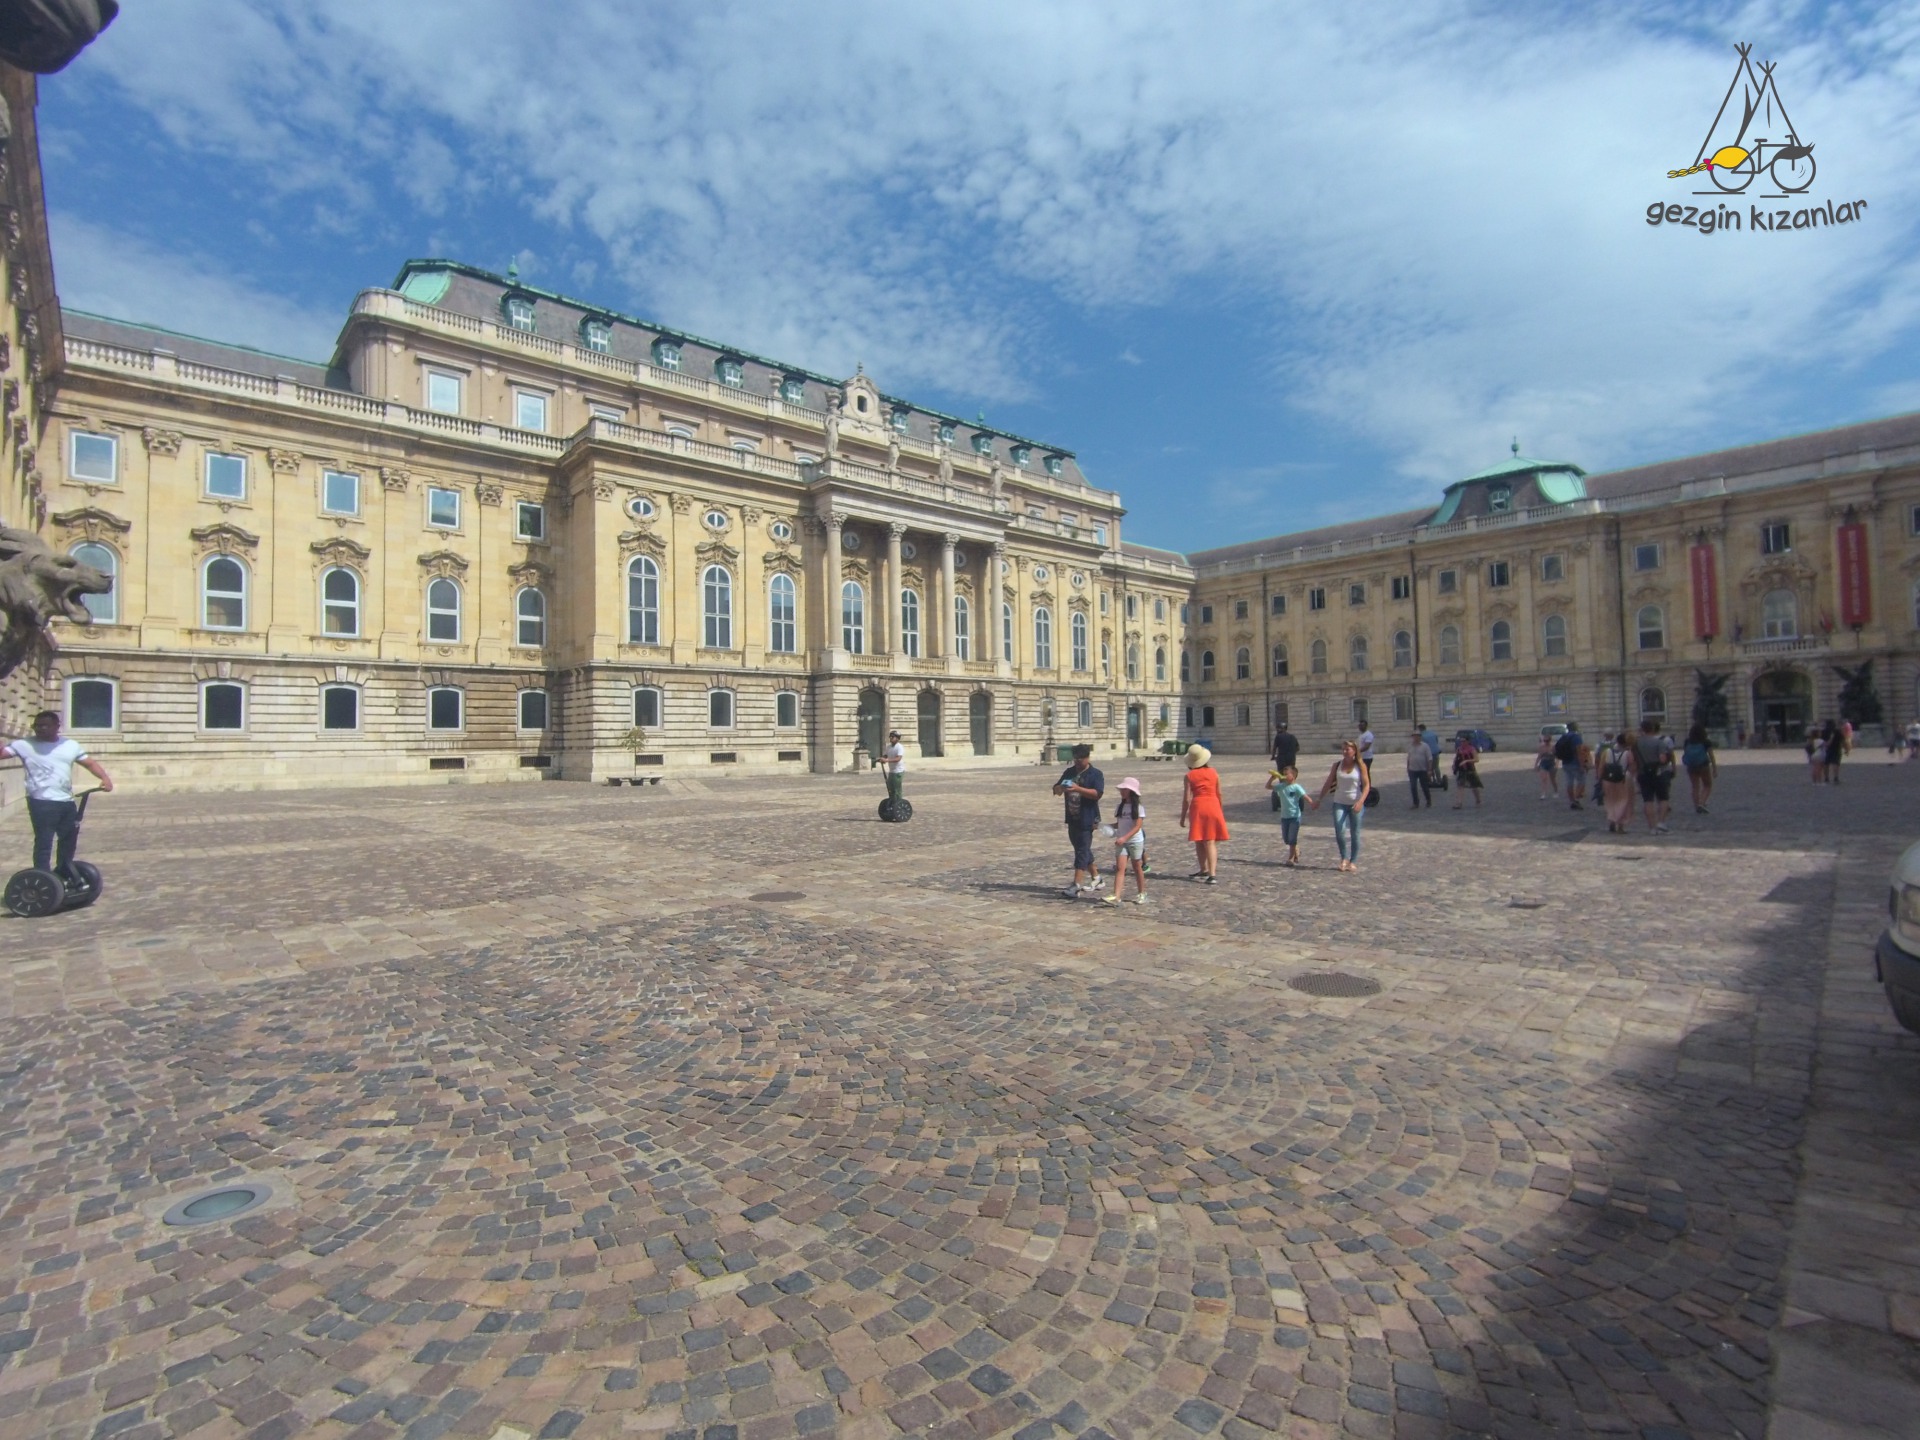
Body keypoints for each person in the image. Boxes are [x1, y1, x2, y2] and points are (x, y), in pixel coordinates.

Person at [3, 710, 114, 882]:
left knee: (69, 839)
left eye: (45, 725)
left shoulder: (70, 745)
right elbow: (3, 754)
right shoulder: (24, 745)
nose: (40, 729)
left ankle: (63, 870)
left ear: (57, 727)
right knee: (44, 842)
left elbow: (89, 763)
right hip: (41, 802)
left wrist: (104, 778)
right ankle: (42, 878)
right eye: (37, 726)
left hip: (66, 801)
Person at [1052, 743, 1105, 897]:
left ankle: (1076, 884)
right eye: (1075, 759)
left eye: (1080, 760)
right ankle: (1097, 877)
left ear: (1087, 758)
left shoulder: (1095, 774)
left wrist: (1078, 789)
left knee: (1081, 849)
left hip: (1087, 817)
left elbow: (1097, 794)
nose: (1077, 762)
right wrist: (1060, 788)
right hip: (1072, 816)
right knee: (1082, 848)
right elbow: (1056, 789)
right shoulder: (1069, 772)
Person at [1177, 744, 1228, 884]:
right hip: (1213, 804)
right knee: (1209, 840)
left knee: (1200, 839)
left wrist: (1182, 816)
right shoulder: (1214, 772)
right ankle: (1208, 871)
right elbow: (1220, 793)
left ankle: (1208, 872)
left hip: (1198, 806)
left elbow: (1187, 798)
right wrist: (1220, 810)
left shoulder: (1189, 775)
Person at [1319, 739, 1371, 872]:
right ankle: (1344, 858)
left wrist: (1360, 802)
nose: (1344, 752)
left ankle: (1353, 861)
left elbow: (1366, 786)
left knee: (1355, 832)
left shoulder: (1360, 766)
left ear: (1354, 751)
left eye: (1347, 749)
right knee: (1339, 830)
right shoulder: (1337, 765)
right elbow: (1328, 782)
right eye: (1343, 749)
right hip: (1339, 802)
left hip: (1355, 802)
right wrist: (1319, 799)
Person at [1102, 778, 1149, 906]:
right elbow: (1120, 823)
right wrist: (1105, 826)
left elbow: (1137, 826)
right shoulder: (1120, 807)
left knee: (1137, 867)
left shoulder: (1139, 808)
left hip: (1135, 841)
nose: (1122, 792)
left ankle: (1142, 893)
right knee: (1120, 868)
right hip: (1121, 841)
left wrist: (1124, 838)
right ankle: (1116, 896)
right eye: (1121, 789)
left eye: (1125, 789)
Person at [1266, 764, 1316, 865]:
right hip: (1284, 816)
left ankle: (1291, 858)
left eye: (1286, 774)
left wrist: (1311, 802)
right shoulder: (1281, 786)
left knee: (1292, 838)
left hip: (1295, 816)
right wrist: (1272, 778)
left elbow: (1304, 795)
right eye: (1283, 774)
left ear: (1293, 775)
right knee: (1286, 839)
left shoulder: (1296, 787)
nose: (1284, 776)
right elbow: (1268, 787)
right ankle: (1296, 850)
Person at [1632, 718, 1675, 833]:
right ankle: (1661, 822)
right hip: (1659, 773)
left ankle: (1651, 828)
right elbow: (1662, 759)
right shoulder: (1659, 742)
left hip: (1643, 773)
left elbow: (1633, 760)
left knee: (1648, 800)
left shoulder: (1636, 743)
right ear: (1653, 729)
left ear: (1642, 729)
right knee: (1663, 798)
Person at [1600, 731, 1634, 832]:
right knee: (1624, 800)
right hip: (1623, 778)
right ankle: (1620, 825)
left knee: (1610, 800)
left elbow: (1601, 766)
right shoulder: (1628, 753)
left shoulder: (1607, 751)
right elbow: (1632, 767)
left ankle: (1612, 820)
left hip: (1608, 779)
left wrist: (1600, 778)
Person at [1682, 723, 1717, 812]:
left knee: (1695, 786)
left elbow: (1686, 753)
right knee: (1707, 785)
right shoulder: (1706, 742)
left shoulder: (1687, 741)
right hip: (1703, 766)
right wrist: (1714, 769)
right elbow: (1711, 756)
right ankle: (1701, 803)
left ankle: (1696, 805)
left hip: (1691, 766)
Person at [1556, 723, 1586, 811]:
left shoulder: (1564, 737)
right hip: (1575, 763)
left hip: (1565, 763)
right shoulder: (1576, 737)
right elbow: (1579, 751)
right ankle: (1576, 800)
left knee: (1569, 782)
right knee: (1581, 781)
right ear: (1576, 728)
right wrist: (1581, 764)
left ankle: (1571, 800)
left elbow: (1555, 749)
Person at [1450, 733, 1482, 808]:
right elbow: (1456, 758)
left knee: (1474, 787)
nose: (1462, 743)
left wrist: (1467, 761)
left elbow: (1476, 759)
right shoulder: (1459, 749)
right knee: (1460, 786)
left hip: (1470, 769)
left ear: (1468, 741)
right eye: (1461, 741)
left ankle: (1478, 799)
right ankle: (1459, 803)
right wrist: (1454, 765)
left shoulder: (1472, 749)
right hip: (1461, 770)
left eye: (1464, 741)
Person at [1405, 729, 1433, 808]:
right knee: (1413, 786)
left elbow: (1429, 758)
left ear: (1420, 737)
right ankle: (1415, 802)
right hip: (1412, 770)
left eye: (1417, 736)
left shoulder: (1425, 746)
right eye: (1414, 736)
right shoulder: (1410, 746)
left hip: (1422, 769)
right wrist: (1407, 767)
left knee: (1424, 786)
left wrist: (1429, 770)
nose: (1416, 738)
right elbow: (1409, 757)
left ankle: (1428, 800)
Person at [880, 729, 906, 806]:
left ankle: (899, 805)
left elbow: (898, 758)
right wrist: (881, 758)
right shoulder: (889, 747)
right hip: (891, 771)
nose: (891, 738)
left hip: (898, 771)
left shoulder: (899, 747)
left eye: (893, 737)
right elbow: (885, 755)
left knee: (897, 789)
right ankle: (892, 803)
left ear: (897, 738)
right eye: (890, 736)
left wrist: (886, 760)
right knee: (890, 789)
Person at [1534, 735, 1559, 800]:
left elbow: (1557, 757)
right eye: (1544, 741)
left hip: (1551, 764)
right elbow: (1539, 756)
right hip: (1543, 764)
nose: (1546, 742)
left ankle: (1555, 791)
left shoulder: (1553, 747)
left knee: (1553, 779)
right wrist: (1536, 765)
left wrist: (1556, 764)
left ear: (1550, 740)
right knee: (1544, 779)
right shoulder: (1541, 747)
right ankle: (1543, 793)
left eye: (1547, 741)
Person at [1823, 720, 1845, 785]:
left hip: (1826, 749)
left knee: (1826, 764)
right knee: (1836, 763)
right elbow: (1843, 740)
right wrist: (1845, 748)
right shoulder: (1838, 732)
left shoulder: (1824, 732)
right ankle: (1835, 777)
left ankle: (1826, 778)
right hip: (1837, 749)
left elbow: (1822, 741)